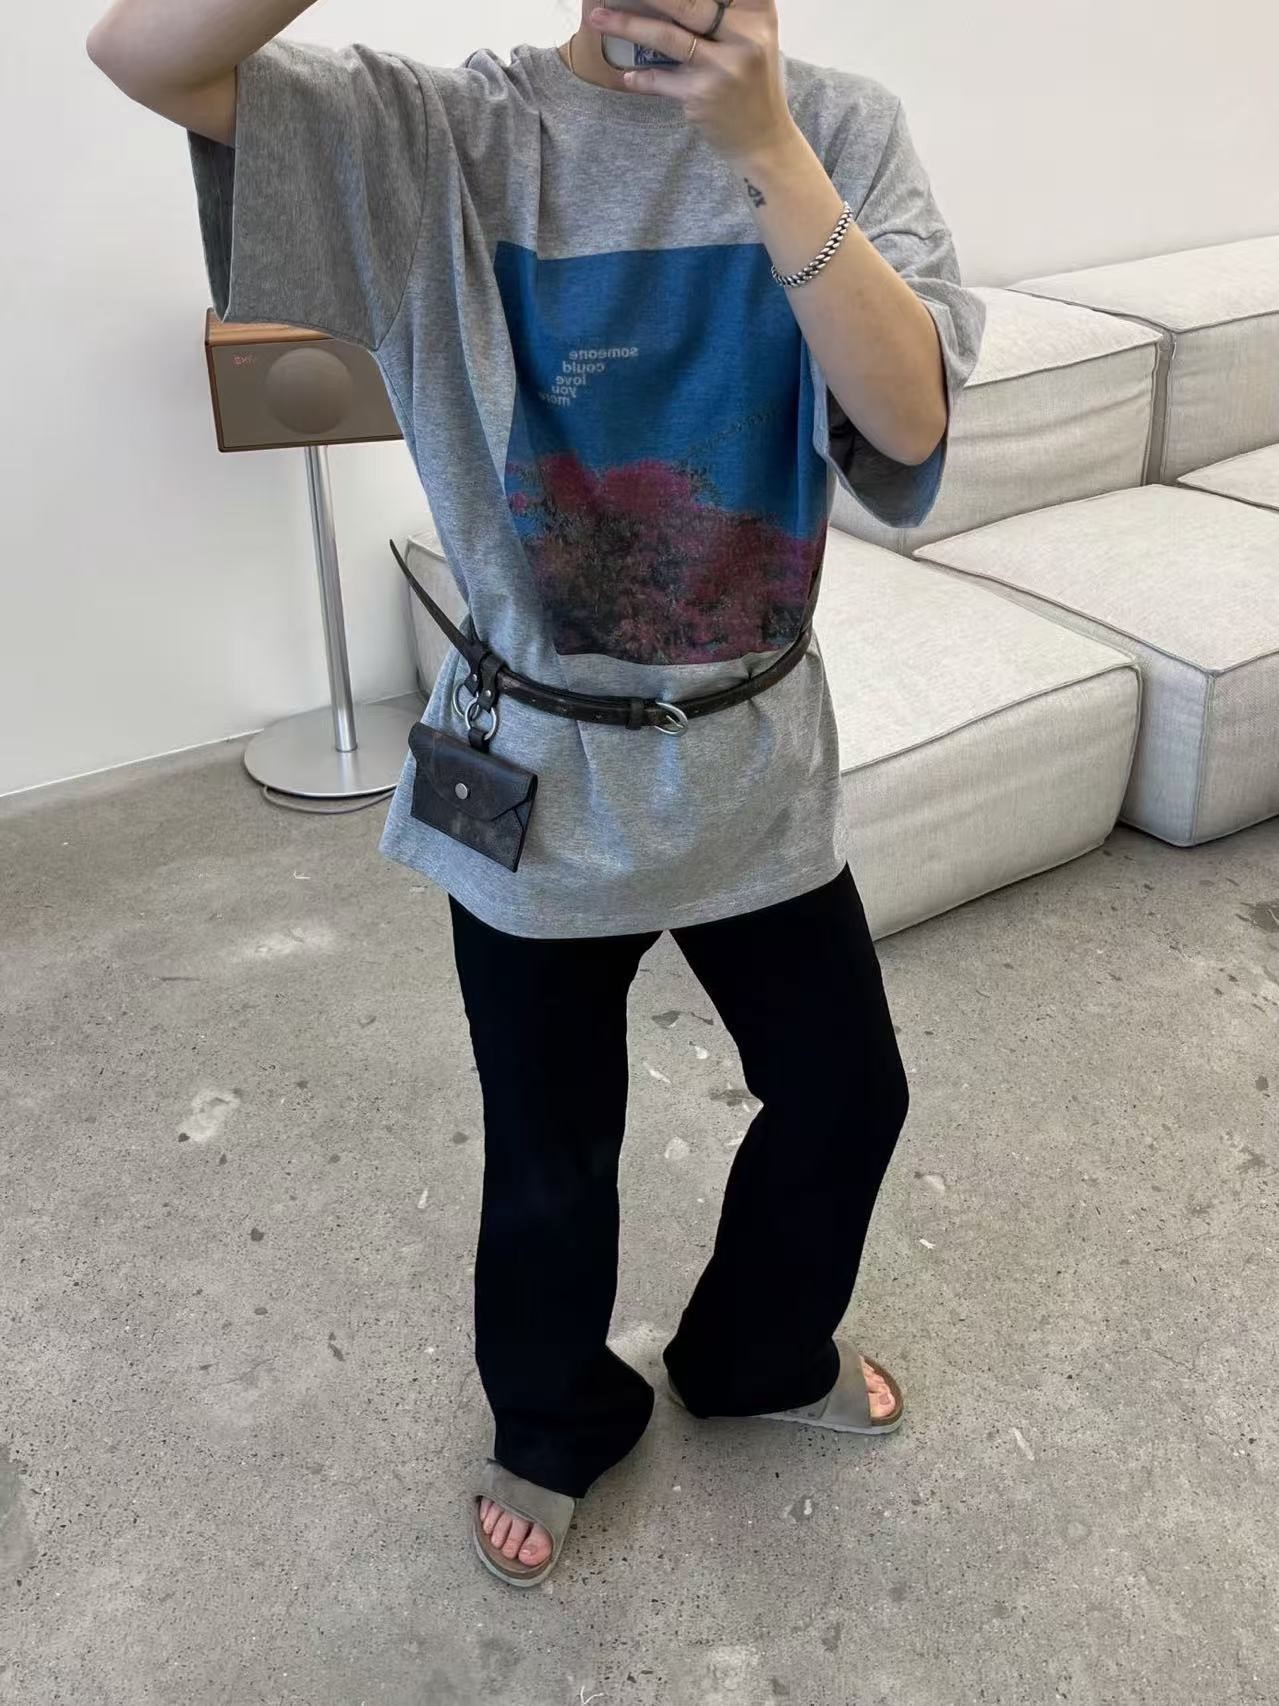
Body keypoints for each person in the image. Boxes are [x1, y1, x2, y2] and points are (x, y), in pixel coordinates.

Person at [87, 0, 986, 1588]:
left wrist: (765, 148)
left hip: (753, 763)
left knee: (849, 1093)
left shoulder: (842, 128)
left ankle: (755, 1356)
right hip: (535, 770)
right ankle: (555, 1420)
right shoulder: (444, 138)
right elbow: (143, 55)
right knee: (550, 1149)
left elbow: (908, 422)